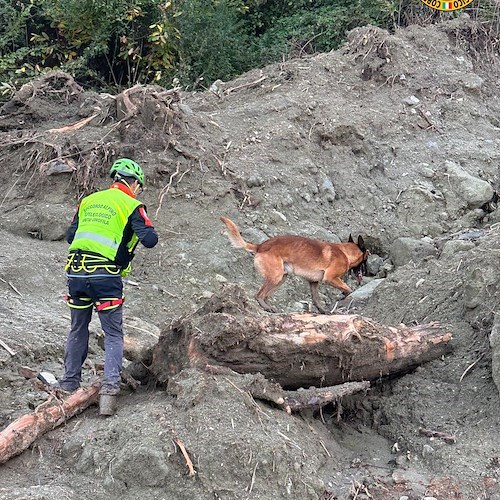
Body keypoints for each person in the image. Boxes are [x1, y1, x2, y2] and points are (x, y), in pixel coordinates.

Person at [59, 158, 158, 411]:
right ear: (133, 182)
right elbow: (150, 239)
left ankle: (68, 386)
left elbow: (71, 235)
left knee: (77, 328)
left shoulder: (88, 201)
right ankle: (109, 393)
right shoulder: (132, 204)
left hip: (76, 272)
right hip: (105, 276)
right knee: (113, 334)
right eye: (139, 186)